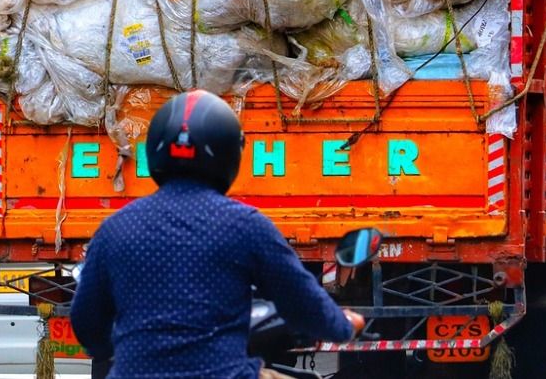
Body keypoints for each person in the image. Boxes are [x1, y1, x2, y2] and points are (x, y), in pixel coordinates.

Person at [70, 90, 364, 379]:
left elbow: (87, 325)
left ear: (155, 146)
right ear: (229, 152)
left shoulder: (115, 229)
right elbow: (302, 304)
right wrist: (343, 325)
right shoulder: (246, 226)